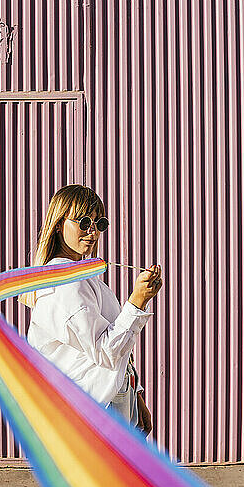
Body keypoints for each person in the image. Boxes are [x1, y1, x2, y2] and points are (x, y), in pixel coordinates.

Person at [23, 184, 163, 437]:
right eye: (84, 222)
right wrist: (137, 301)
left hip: (108, 407)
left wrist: (135, 393)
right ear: (58, 225)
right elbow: (106, 351)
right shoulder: (64, 283)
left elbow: (114, 349)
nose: (92, 231)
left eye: (100, 223)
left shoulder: (83, 276)